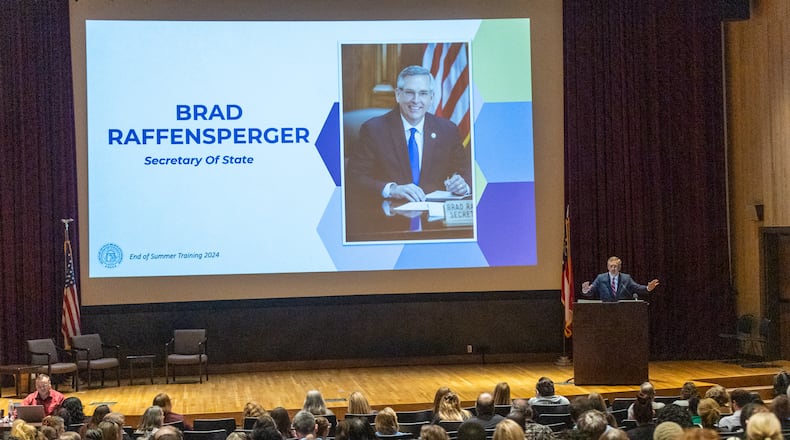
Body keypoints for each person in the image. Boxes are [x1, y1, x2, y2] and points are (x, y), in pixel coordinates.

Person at [346, 65, 472, 203]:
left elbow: (466, 172)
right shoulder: (374, 129)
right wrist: (392, 189)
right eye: (409, 92)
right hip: (389, 214)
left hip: (434, 216)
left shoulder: (447, 130)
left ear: (431, 97)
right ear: (398, 95)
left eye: (423, 93)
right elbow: (355, 177)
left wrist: (462, 185)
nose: (416, 100)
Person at [581, 257, 660, 302]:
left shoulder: (626, 278)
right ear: (608, 267)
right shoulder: (600, 278)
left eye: (615, 266)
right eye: (611, 266)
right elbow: (590, 292)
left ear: (619, 267)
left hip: (622, 311)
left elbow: (637, 288)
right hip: (605, 311)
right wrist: (585, 290)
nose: (613, 268)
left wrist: (648, 288)